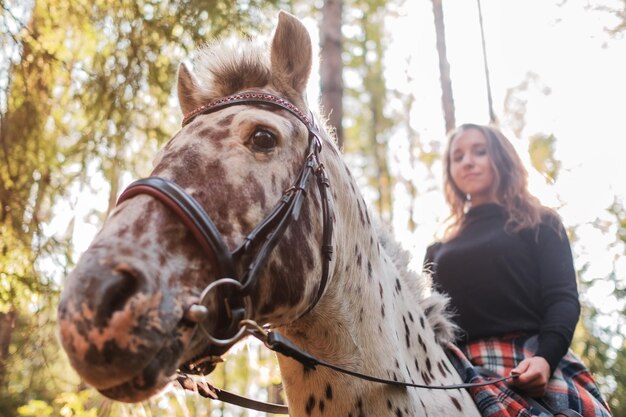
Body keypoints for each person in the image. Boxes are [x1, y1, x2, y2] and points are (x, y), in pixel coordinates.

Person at [424, 123, 612, 416]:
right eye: (457, 157)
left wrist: (545, 359)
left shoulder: (541, 222)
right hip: (455, 370)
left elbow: (562, 299)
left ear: (502, 157)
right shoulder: (437, 249)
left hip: (531, 359)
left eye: (479, 151)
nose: (468, 161)